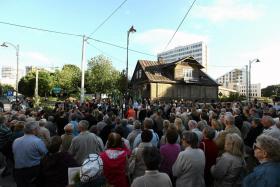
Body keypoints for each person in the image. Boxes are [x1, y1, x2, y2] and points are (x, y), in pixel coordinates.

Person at [13, 121, 48, 187]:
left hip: (18, 170)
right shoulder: (37, 141)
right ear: (34, 130)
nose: (38, 130)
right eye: (38, 129)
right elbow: (45, 153)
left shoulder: (16, 140)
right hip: (32, 170)